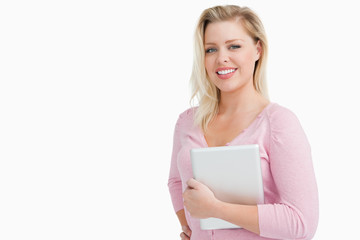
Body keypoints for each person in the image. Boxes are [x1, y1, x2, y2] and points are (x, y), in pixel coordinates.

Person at [168, 5, 319, 240]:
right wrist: (190, 228)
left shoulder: (279, 123)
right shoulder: (187, 121)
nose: (221, 58)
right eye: (210, 49)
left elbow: (301, 223)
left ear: (258, 49)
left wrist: (215, 209)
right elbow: (176, 181)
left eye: (234, 46)